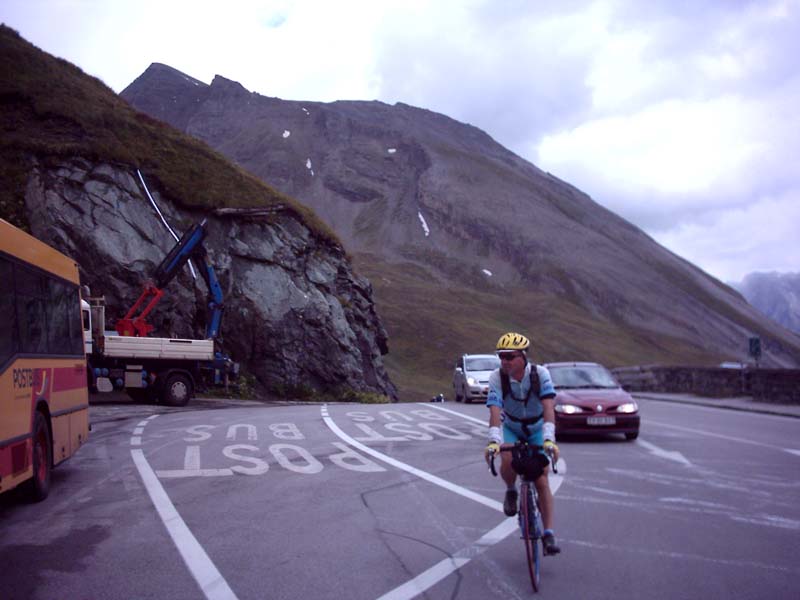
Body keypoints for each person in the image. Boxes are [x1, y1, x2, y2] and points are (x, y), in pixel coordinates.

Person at [484, 332, 561, 555]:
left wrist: (549, 440)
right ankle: (511, 490)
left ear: (523, 357)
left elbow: (549, 408)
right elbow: (495, 410)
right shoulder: (497, 377)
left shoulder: (540, 374)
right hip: (513, 426)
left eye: (510, 356)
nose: (505, 361)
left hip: (537, 428)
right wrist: (493, 442)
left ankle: (548, 534)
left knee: (541, 479)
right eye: (502, 357)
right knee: (506, 459)